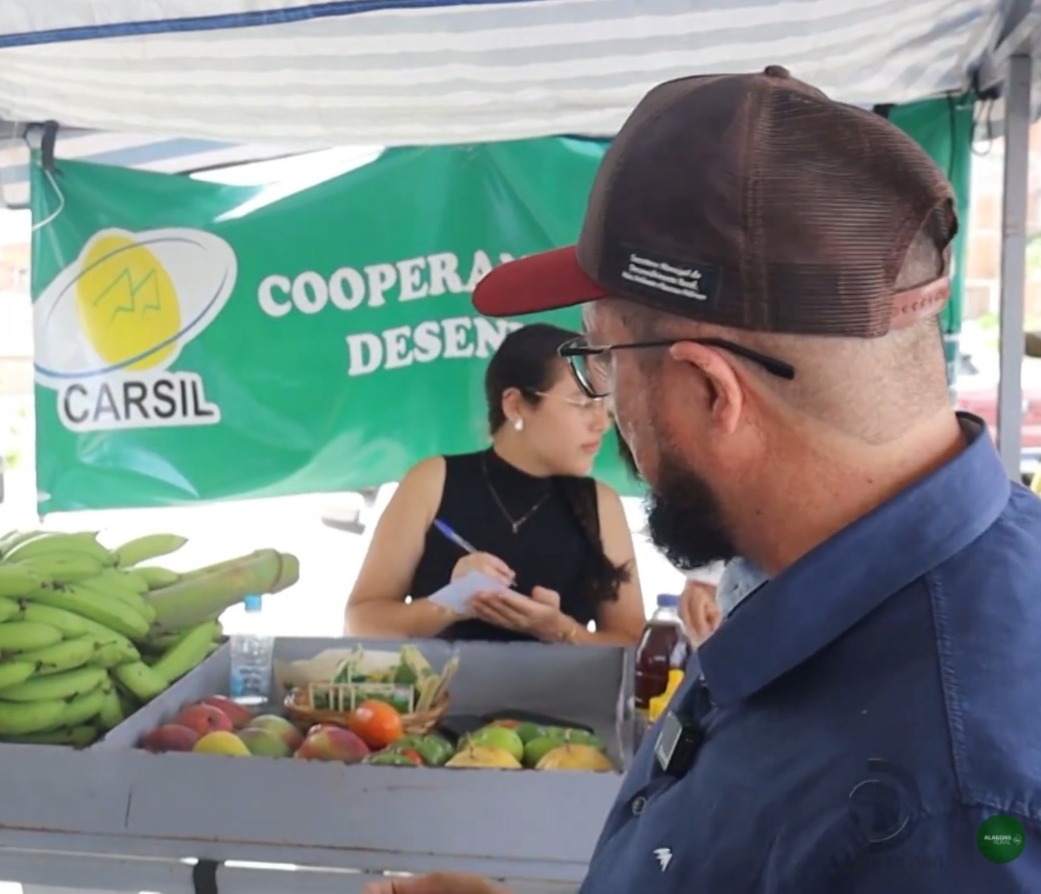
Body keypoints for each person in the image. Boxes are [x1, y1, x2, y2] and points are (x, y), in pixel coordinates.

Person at [366, 66, 1041, 893]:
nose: (604, 409)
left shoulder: (946, 810)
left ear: (708, 391)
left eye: (601, 360)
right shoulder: (821, 586)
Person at [344, 322, 646, 645]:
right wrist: (449, 604)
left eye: (605, 407)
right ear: (515, 405)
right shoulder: (433, 481)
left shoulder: (600, 503)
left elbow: (631, 645)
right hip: (442, 693)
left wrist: (559, 629)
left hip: (558, 695)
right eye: (582, 404)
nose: (600, 423)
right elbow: (361, 621)